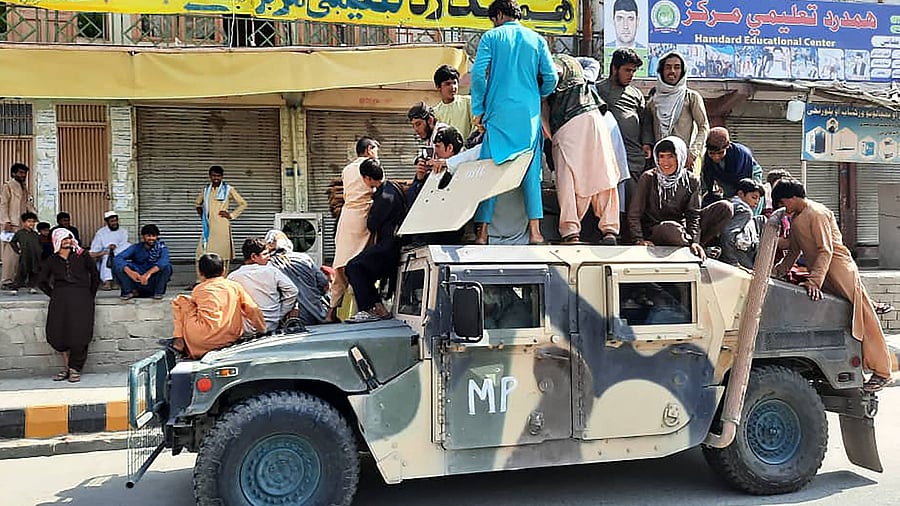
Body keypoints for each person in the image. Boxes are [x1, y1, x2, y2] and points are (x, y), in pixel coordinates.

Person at [772, 180, 892, 392]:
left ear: (792, 197)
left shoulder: (816, 213)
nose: (784, 207)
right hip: (824, 272)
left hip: (839, 269)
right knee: (843, 318)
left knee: (863, 315)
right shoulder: (798, 217)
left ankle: (882, 371)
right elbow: (794, 251)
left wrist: (814, 280)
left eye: (783, 202)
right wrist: (778, 272)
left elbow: (825, 250)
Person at [470, 0, 558, 245]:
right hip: (528, 118)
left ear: (498, 15)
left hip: (497, 114)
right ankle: (535, 232)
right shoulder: (536, 40)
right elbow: (551, 77)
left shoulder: (491, 37)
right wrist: (537, 94)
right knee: (531, 173)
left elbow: (478, 74)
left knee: (489, 171)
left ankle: (483, 233)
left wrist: (478, 108)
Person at [543, 54, 621, 245]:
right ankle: (610, 230)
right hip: (595, 119)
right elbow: (593, 62)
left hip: (567, 125)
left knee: (568, 177)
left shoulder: (547, 67)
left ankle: (571, 232)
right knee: (603, 173)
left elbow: (545, 98)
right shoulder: (574, 63)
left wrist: (550, 136)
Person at [627, 136, 732, 258]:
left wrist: (695, 241)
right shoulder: (648, 178)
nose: (665, 162)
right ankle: (692, 248)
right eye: (661, 157)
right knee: (670, 229)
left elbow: (693, 215)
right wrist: (639, 240)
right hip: (658, 230)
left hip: (684, 230)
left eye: (671, 156)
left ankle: (696, 246)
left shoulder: (691, 180)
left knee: (725, 207)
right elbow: (634, 213)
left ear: (680, 157)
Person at [345, 159, 407, 322]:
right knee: (362, 272)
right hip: (392, 245)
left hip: (388, 248)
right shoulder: (392, 188)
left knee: (353, 267)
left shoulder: (384, 196)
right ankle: (379, 308)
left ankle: (369, 309)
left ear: (367, 178)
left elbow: (372, 224)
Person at [172, 253, 266, 360]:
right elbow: (252, 309)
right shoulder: (234, 286)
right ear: (224, 270)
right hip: (229, 339)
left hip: (200, 341)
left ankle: (179, 339)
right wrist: (262, 331)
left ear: (200, 273)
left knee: (180, 301)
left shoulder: (199, 289)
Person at [328, 136, 380, 322]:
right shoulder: (371, 165)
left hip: (346, 217)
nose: (376, 153)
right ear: (368, 150)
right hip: (363, 216)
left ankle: (331, 312)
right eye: (375, 148)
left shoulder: (347, 169)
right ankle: (366, 308)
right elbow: (378, 187)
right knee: (361, 265)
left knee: (340, 265)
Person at [38, 228, 100, 383]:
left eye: (69, 238)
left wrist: (89, 295)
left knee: (80, 333)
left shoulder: (82, 255)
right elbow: (42, 281)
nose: (67, 241)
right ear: (57, 241)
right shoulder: (52, 259)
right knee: (59, 332)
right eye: (63, 239)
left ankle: (75, 369)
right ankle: (67, 368)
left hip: (82, 297)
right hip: (60, 299)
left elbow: (95, 276)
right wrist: (54, 295)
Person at [642, 51, 710, 170]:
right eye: (668, 67)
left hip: (684, 161)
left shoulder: (691, 97)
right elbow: (647, 128)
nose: (672, 71)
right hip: (661, 163)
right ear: (661, 71)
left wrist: (693, 153)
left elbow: (704, 127)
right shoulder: (653, 102)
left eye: (677, 67)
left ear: (682, 71)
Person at [597, 49, 648, 205]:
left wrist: (647, 143)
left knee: (632, 204)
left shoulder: (636, 94)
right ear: (614, 68)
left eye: (633, 71)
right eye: (627, 70)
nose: (631, 74)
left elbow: (645, 121)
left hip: (632, 158)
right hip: (606, 156)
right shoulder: (598, 89)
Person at [228, 237, 299, 332]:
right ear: (254, 257)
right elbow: (293, 291)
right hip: (271, 325)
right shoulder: (272, 272)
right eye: (265, 254)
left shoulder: (232, 277)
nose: (269, 257)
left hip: (245, 328)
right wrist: (281, 312)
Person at [264, 230, 331, 326]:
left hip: (291, 314)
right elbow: (323, 282)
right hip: (317, 310)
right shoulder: (304, 258)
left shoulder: (270, 265)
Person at [195, 165, 247, 273]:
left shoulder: (228, 189)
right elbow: (197, 204)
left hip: (222, 226)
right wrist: (203, 216)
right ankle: (200, 280)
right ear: (210, 176)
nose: (216, 178)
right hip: (208, 226)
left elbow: (243, 204)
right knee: (201, 253)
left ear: (222, 177)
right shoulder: (206, 190)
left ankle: (222, 277)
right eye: (214, 176)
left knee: (223, 254)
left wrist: (231, 215)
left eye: (218, 176)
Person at [701, 127, 763, 206]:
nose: (716, 157)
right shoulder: (707, 161)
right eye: (712, 153)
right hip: (727, 184)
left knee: (752, 197)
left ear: (727, 147)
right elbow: (705, 185)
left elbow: (748, 187)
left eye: (720, 153)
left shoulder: (740, 155)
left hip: (749, 174)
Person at [1, 163, 37, 289]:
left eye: (24, 173)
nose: (23, 175)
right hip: (11, 224)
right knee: (10, 253)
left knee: (22, 253)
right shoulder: (8, 186)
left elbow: (28, 204)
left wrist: (34, 218)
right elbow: (3, 204)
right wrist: (6, 221)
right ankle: (6, 280)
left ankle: (18, 279)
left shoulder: (24, 187)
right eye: (21, 173)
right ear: (13, 174)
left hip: (22, 225)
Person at [113, 224, 173, 300]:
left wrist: (148, 274)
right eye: (148, 236)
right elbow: (118, 258)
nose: (151, 238)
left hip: (152, 280)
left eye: (153, 236)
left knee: (167, 266)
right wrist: (130, 272)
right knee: (118, 264)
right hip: (137, 279)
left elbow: (163, 262)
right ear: (143, 236)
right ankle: (128, 292)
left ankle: (158, 293)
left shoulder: (162, 248)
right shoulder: (136, 247)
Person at [720, 179, 766, 269]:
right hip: (736, 260)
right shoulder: (744, 211)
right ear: (741, 194)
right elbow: (728, 234)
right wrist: (733, 262)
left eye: (758, 199)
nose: (756, 202)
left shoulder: (730, 203)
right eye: (753, 197)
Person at [89, 211, 131, 291]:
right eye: (112, 221)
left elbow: (124, 245)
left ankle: (117, 281)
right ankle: (107, 281)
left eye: (116, 220)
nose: (114, 223)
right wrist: (106, 250)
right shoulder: (101, 233)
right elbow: (94, 250)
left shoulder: (123, 231)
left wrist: (115, 248)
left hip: (120, 253)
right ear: (107, 222)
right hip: (105, 254)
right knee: (107, 256)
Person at [432, 65, 474, 138]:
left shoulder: (468, 102)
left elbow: (476, 127)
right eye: (448, 84)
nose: (453, 87)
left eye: (454, 83)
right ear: (438, 87)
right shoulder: (435, 112)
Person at [10, 211, 41, 293]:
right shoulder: (20, 233)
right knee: (22, 271)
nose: (32, 223)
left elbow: (39, 244)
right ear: (24, 222)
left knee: (34, 271)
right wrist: (18, 250)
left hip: (35, 256)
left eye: (33, 222)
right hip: (24, 255)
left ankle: (32, 287)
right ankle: (15, 288)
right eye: (29, 221)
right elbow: (13, 242)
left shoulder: (35, 234)